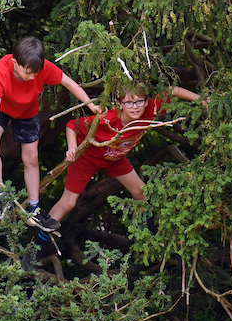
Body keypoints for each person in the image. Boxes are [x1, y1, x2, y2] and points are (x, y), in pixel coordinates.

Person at [24, 83, 202, 265]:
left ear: (146, 101)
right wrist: (72, 148)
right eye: (129, 103)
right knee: (68, 203)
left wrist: (203, 101)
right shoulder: (108, 119)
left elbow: (173, 90)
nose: (135, 107)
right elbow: (72, 125)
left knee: (140, 191)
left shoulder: (150, 109)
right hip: (87, 158)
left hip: (115, 158)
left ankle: (150, 233)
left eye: (139, 102)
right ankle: (35, 249)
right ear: (120, 104)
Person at [0, 36, 101, 226]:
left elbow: (69, 83)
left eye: (36, 73)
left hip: (27, 111)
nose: (32, 78)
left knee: (31, 157)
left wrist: (91, 105)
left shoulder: (43, 68)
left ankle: (34, 208)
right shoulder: (2, 70)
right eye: (27, 73)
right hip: (2, 109)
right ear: (15, 62)